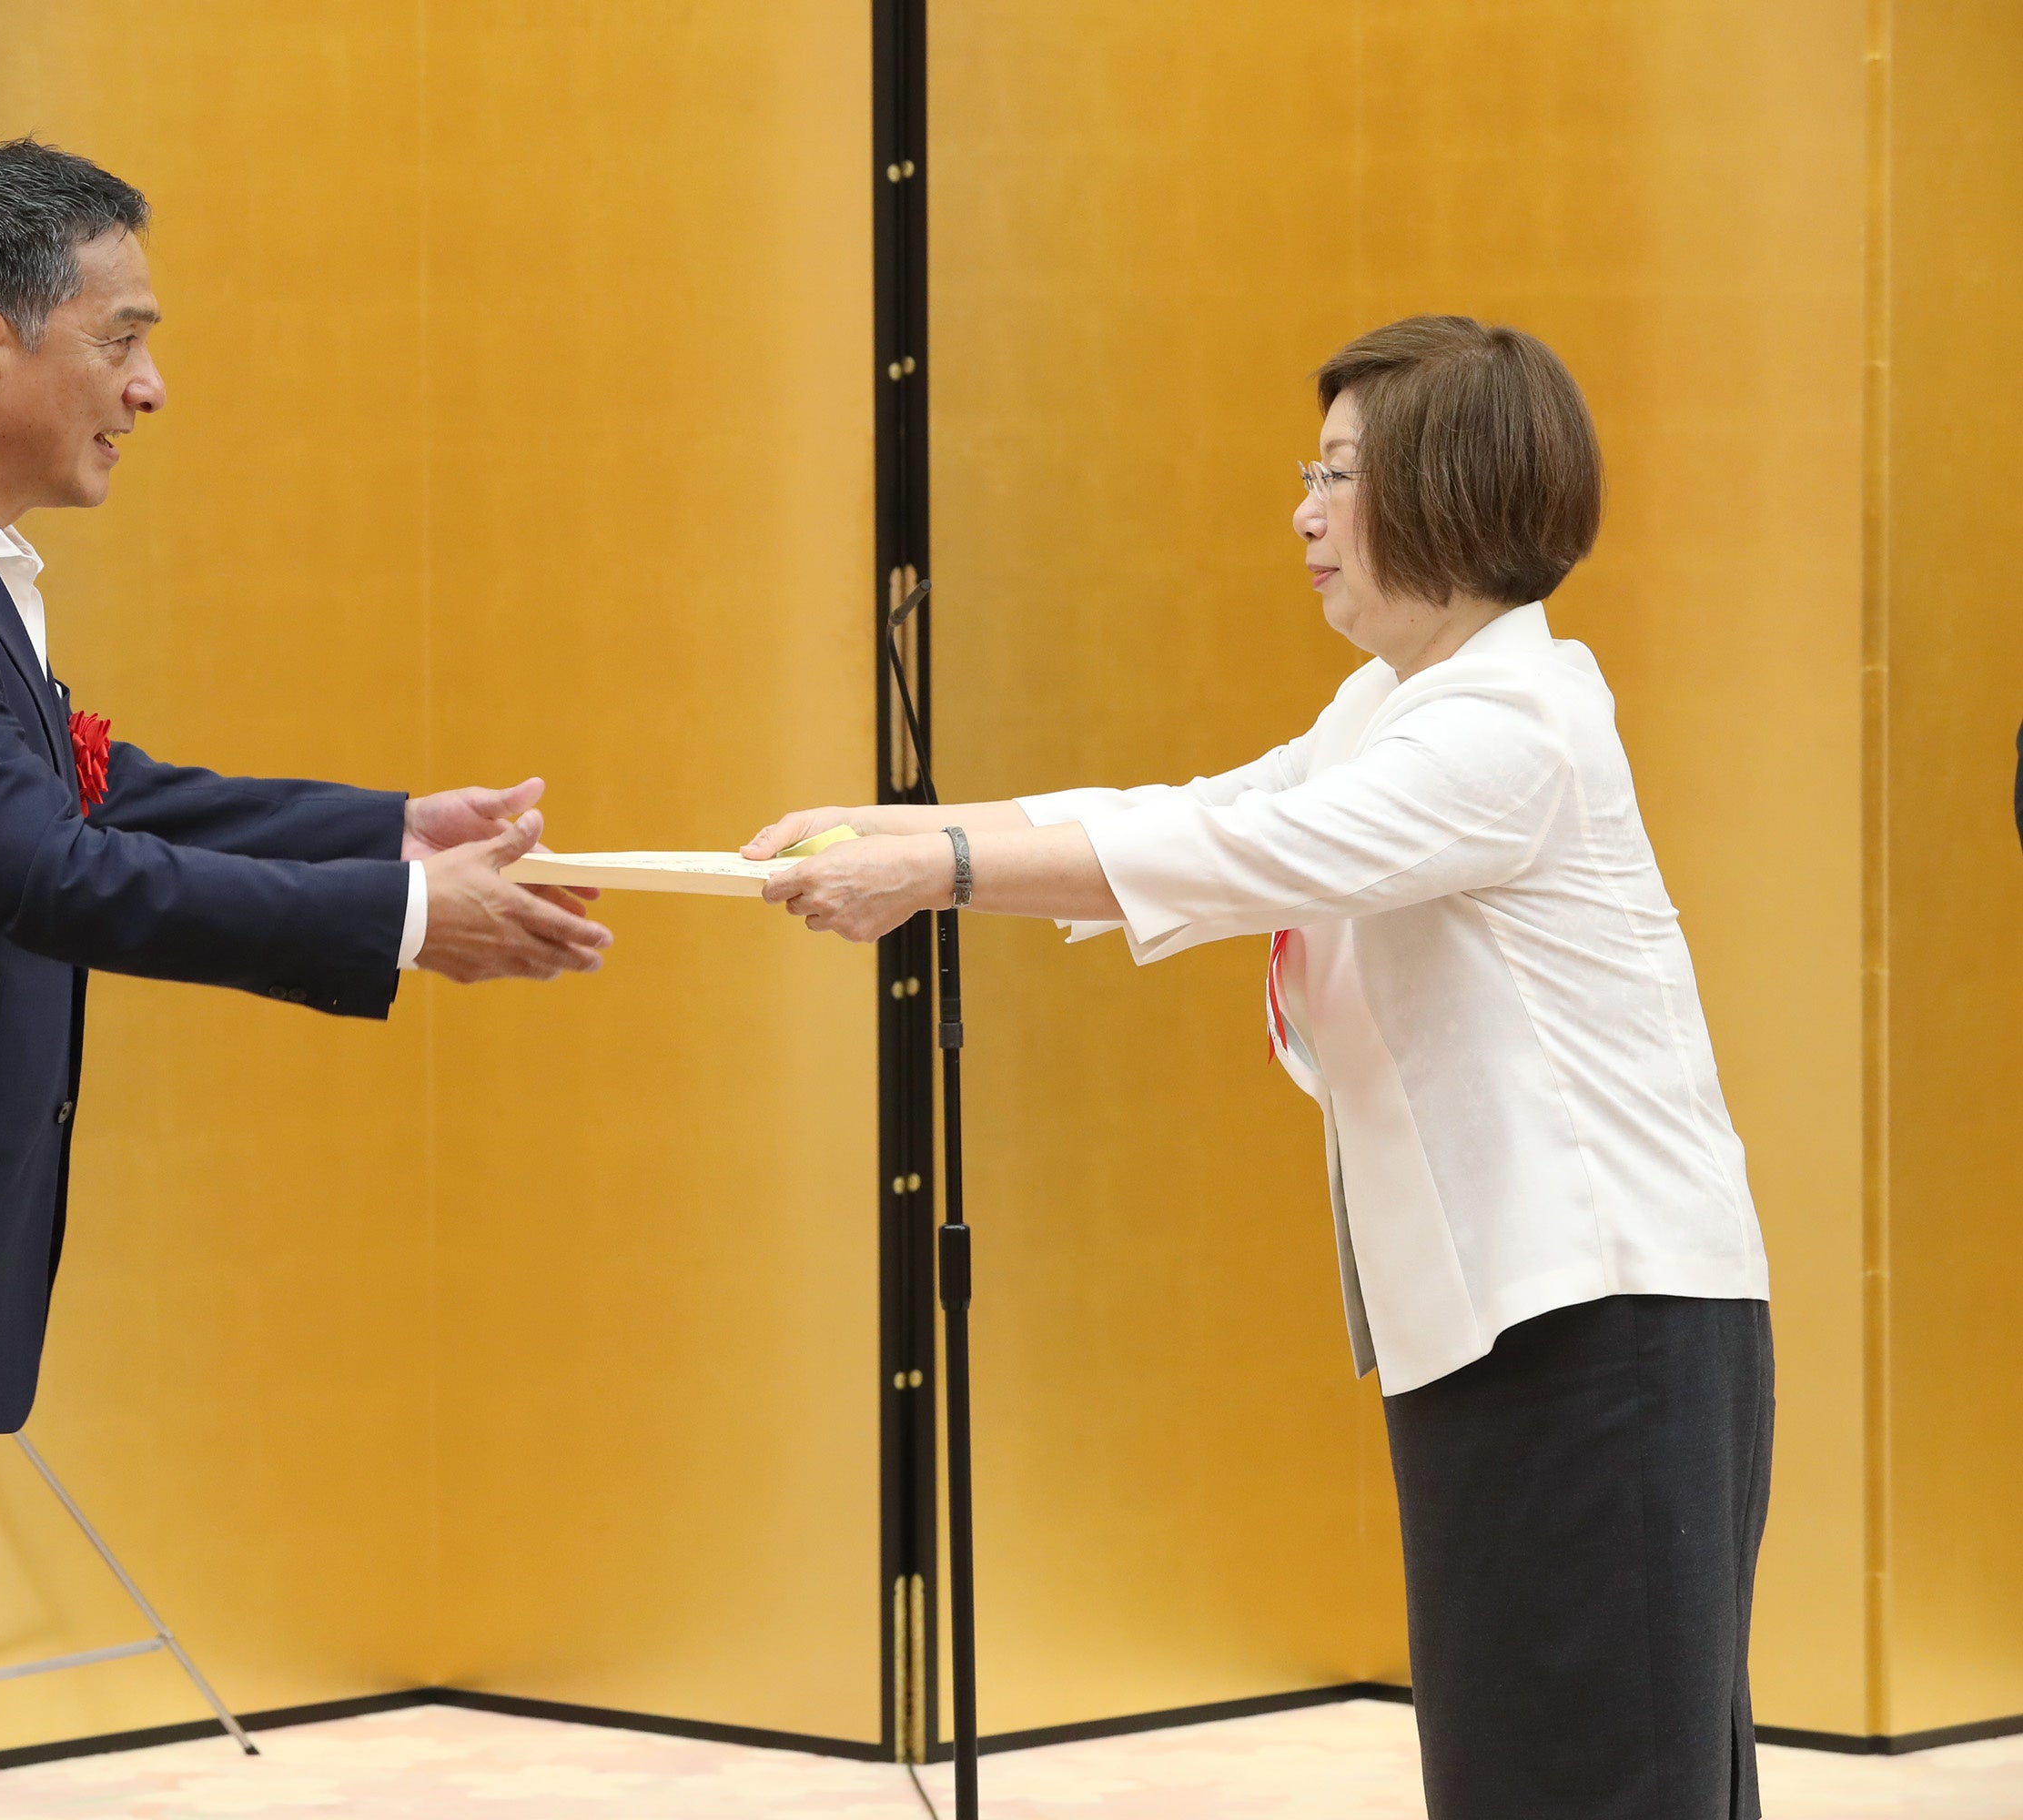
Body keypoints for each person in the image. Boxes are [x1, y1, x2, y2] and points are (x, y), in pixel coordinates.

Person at [0, 139, 610, 1820]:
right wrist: (396, 916)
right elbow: (51, 874)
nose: (152, 389)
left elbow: (92, 789)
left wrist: (381, 828)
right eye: (124, 337)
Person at [748, 316, 1773, 1820]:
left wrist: (940, 865)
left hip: (1604, 1327)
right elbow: (1191, 806)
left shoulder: (1515, 726)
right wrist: (907, 823)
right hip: (1505, 1330)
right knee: (1526, 1767)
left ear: (1448, 491)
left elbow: (1237, 854)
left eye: (1340, 474)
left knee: (1589, 1775)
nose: (1302, 509)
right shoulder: (1397, 709)